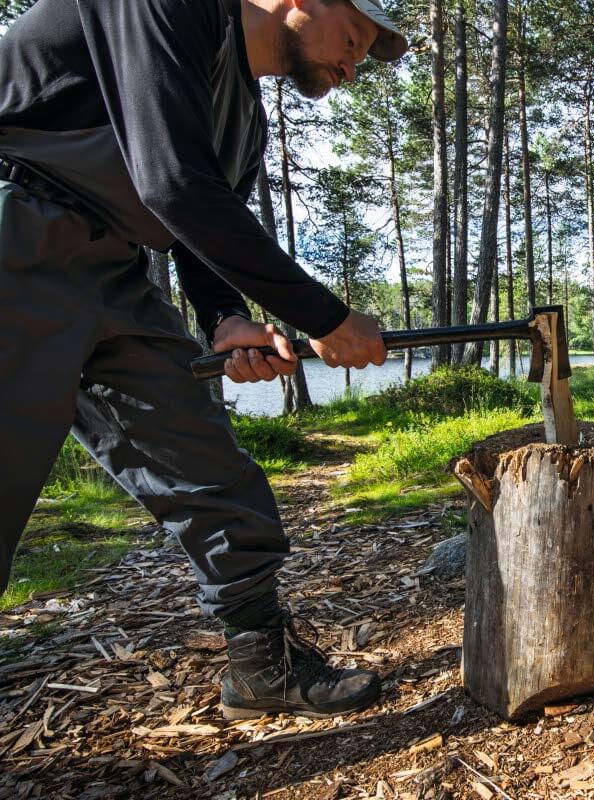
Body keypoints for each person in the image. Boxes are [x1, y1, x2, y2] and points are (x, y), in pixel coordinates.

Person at [0, 0, 407, 718]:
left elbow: (200, 230)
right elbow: (172, 183)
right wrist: (328, 319)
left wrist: (226, 322)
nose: (351, 67)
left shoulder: (243, 119)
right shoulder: (168, 5)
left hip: (115, 270)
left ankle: (261, 663)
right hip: (15, 222)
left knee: (207, 461)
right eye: (352, 38)